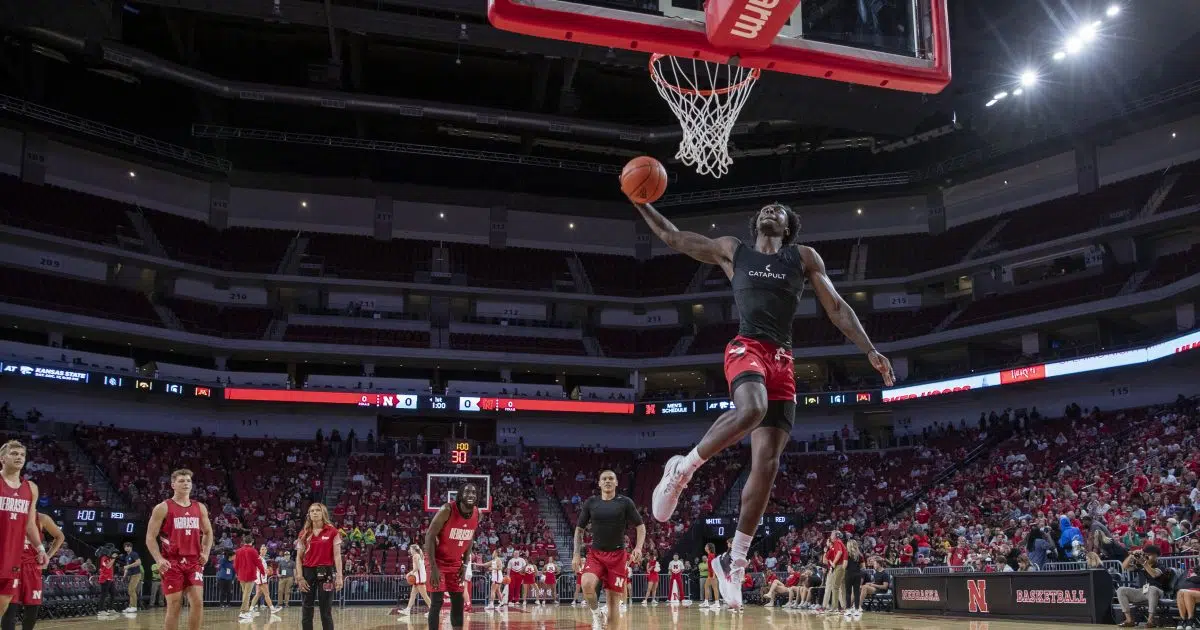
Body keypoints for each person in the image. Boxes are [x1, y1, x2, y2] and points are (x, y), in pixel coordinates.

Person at [637, 200, 894, 611]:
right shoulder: (733, 250)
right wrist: (642, 202)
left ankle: (733, 560)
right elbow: (673, 237)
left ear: (790, 225)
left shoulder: (803, 257)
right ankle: (681, 470)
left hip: (782, 360)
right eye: (766, 208)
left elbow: (837, 308)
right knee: (752, 408)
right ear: (757, 220)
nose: (772, 209)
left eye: (781, 209)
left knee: (768, 466)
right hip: (747, 347)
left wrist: (870, 350)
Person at [572, 469, 645, 629]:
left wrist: (638, 548)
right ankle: (597, 614)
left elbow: (640, 526)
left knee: (613, 607)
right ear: (599, 483)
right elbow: (579, 529)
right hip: (596, 554)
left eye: (611, 478)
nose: (607, 481)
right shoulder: (591, 502)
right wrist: (576, 553)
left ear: (616, 482)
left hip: (618, 557)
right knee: (586, 583)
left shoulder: (625, 502)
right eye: (604, 478)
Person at [146, 468, 214, 630]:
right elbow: (150, 537)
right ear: (173, 485)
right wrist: (159, 559)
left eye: (188, 481)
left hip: (193, 561)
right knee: (175, 605)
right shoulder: (163, 507)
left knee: (198, 602)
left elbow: (208, 532)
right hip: (172, 562)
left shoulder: (200, 507)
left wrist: (205, 551)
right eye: (182, 481)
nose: (186, 484)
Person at [0, 442, 48, 620]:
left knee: (5, 600)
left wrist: (40, 549)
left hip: (13, 555)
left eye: (22, 454)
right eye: (14, 453)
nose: (19, 457)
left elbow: (30, 525)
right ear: (2, 459)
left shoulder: (31, 488)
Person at [424, 482, 480, 630]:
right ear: (460, 495)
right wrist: (433, 568)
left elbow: (470, 538)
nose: (471, 495)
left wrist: (466, 563)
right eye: (467, 492)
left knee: (458, 600)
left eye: (474, 493)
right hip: (437, 561)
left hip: (455, 562)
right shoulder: (446, 509)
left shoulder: (477, 513)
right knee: (437, 601)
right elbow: (429, 536)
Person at [0, 512, 63, 630]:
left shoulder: (42, 518)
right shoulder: (7, 514)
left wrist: (48, 556)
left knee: (32, 613)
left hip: (32, 569)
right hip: (12, 567)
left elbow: (60, 536)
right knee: (10, 611)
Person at [296, 502, 343, 630]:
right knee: (307, 609)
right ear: (309, 514)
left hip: (326, 573)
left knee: (326, 610)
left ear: (323, 513)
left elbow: (337, 556)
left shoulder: (332, 531)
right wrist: (300, 577)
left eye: (317, 510)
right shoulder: (303, 533)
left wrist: (339, 576)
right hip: (307, 572)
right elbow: (298, 558)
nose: (315, 512)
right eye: (312, 511)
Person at [1116, 545, 1173, 628]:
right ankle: (1129, 620)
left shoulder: (1160, 566)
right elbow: (1124, 567)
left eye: (1149, 555)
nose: (1146, 556)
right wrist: (1131, 556)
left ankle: (1150, 621)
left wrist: (1144, 563)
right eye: (1145, 554)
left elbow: (1154, 574)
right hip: (1143, 591)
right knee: (1121, 590)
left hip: (1157, 591)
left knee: (1152, 588)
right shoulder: (1141, 565)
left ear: (1156, 555)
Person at [395, 544, 431, 616]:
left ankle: (433, 611)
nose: (410, 551)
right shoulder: (419, 555)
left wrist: (409, 573)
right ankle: (408, 610)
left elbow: (417, 568)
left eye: (411, 549)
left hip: (419, 578)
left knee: (425, 596)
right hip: (419, 577)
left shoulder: (415, 556)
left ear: (414, 550)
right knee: (413, 594)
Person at [246, 545, 281, 618]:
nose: (264, 550)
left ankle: (250, 609)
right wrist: (266, 571)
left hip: (261, 578)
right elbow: (257, 567)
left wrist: (266, 571)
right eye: (262, 549)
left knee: (258, 594)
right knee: (267, 594)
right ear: (260, 550)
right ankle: (272, 609)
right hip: (261, 578)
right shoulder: (259, 558)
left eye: (265, 549)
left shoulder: (263, 559)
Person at [233, 535, 260, 620]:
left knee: (245, 593)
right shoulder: (253, 551)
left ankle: (246, 610)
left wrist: (238, 573)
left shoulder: (238, 551)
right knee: (247, 594)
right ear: (251, 542)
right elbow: (257, 563)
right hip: (250, 575)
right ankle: (243, 612)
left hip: (241, 574)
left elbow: (235, 565)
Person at [842, 540, 863, 619]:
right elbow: (863, 566)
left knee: (848, 592)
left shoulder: (847, 553)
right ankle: (857, 610)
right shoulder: (860, 555)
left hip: (849, 574)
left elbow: (845, 565)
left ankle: (848, 610)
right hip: (857, 574)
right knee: (856, 592)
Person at [120, 541, 143, 614]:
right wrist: (124, 576)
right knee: (130, 591)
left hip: (136, 574)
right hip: (130, 575)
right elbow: (127, 568)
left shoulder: (134, 554)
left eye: (128, 546)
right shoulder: (127, 557)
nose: (127, 548)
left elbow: (139, 562)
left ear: (131, 547)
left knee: (131, 590)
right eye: (125, 547)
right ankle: (131, 606)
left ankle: (134, 607)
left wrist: (128, 566)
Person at [96, 549, 119, 618]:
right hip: (104, 579)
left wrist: (113, 558)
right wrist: (114, 558)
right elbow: (108, 566)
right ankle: (101, 610)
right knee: (104, 594)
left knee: (113, 593)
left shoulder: (109, 558)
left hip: (110, 579)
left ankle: (110, 609)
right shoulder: (104, 558)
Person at [701, 543, 718, 609]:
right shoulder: (710, 555)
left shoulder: (711, 555)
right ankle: (707, 602)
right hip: (710, 574)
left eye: (706, 546)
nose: (705, 547)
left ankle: (715, 603)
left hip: (712, 575)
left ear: (709, 548)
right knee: (707, 587)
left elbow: (714, 566)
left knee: (713, 588)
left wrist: (713, 575)